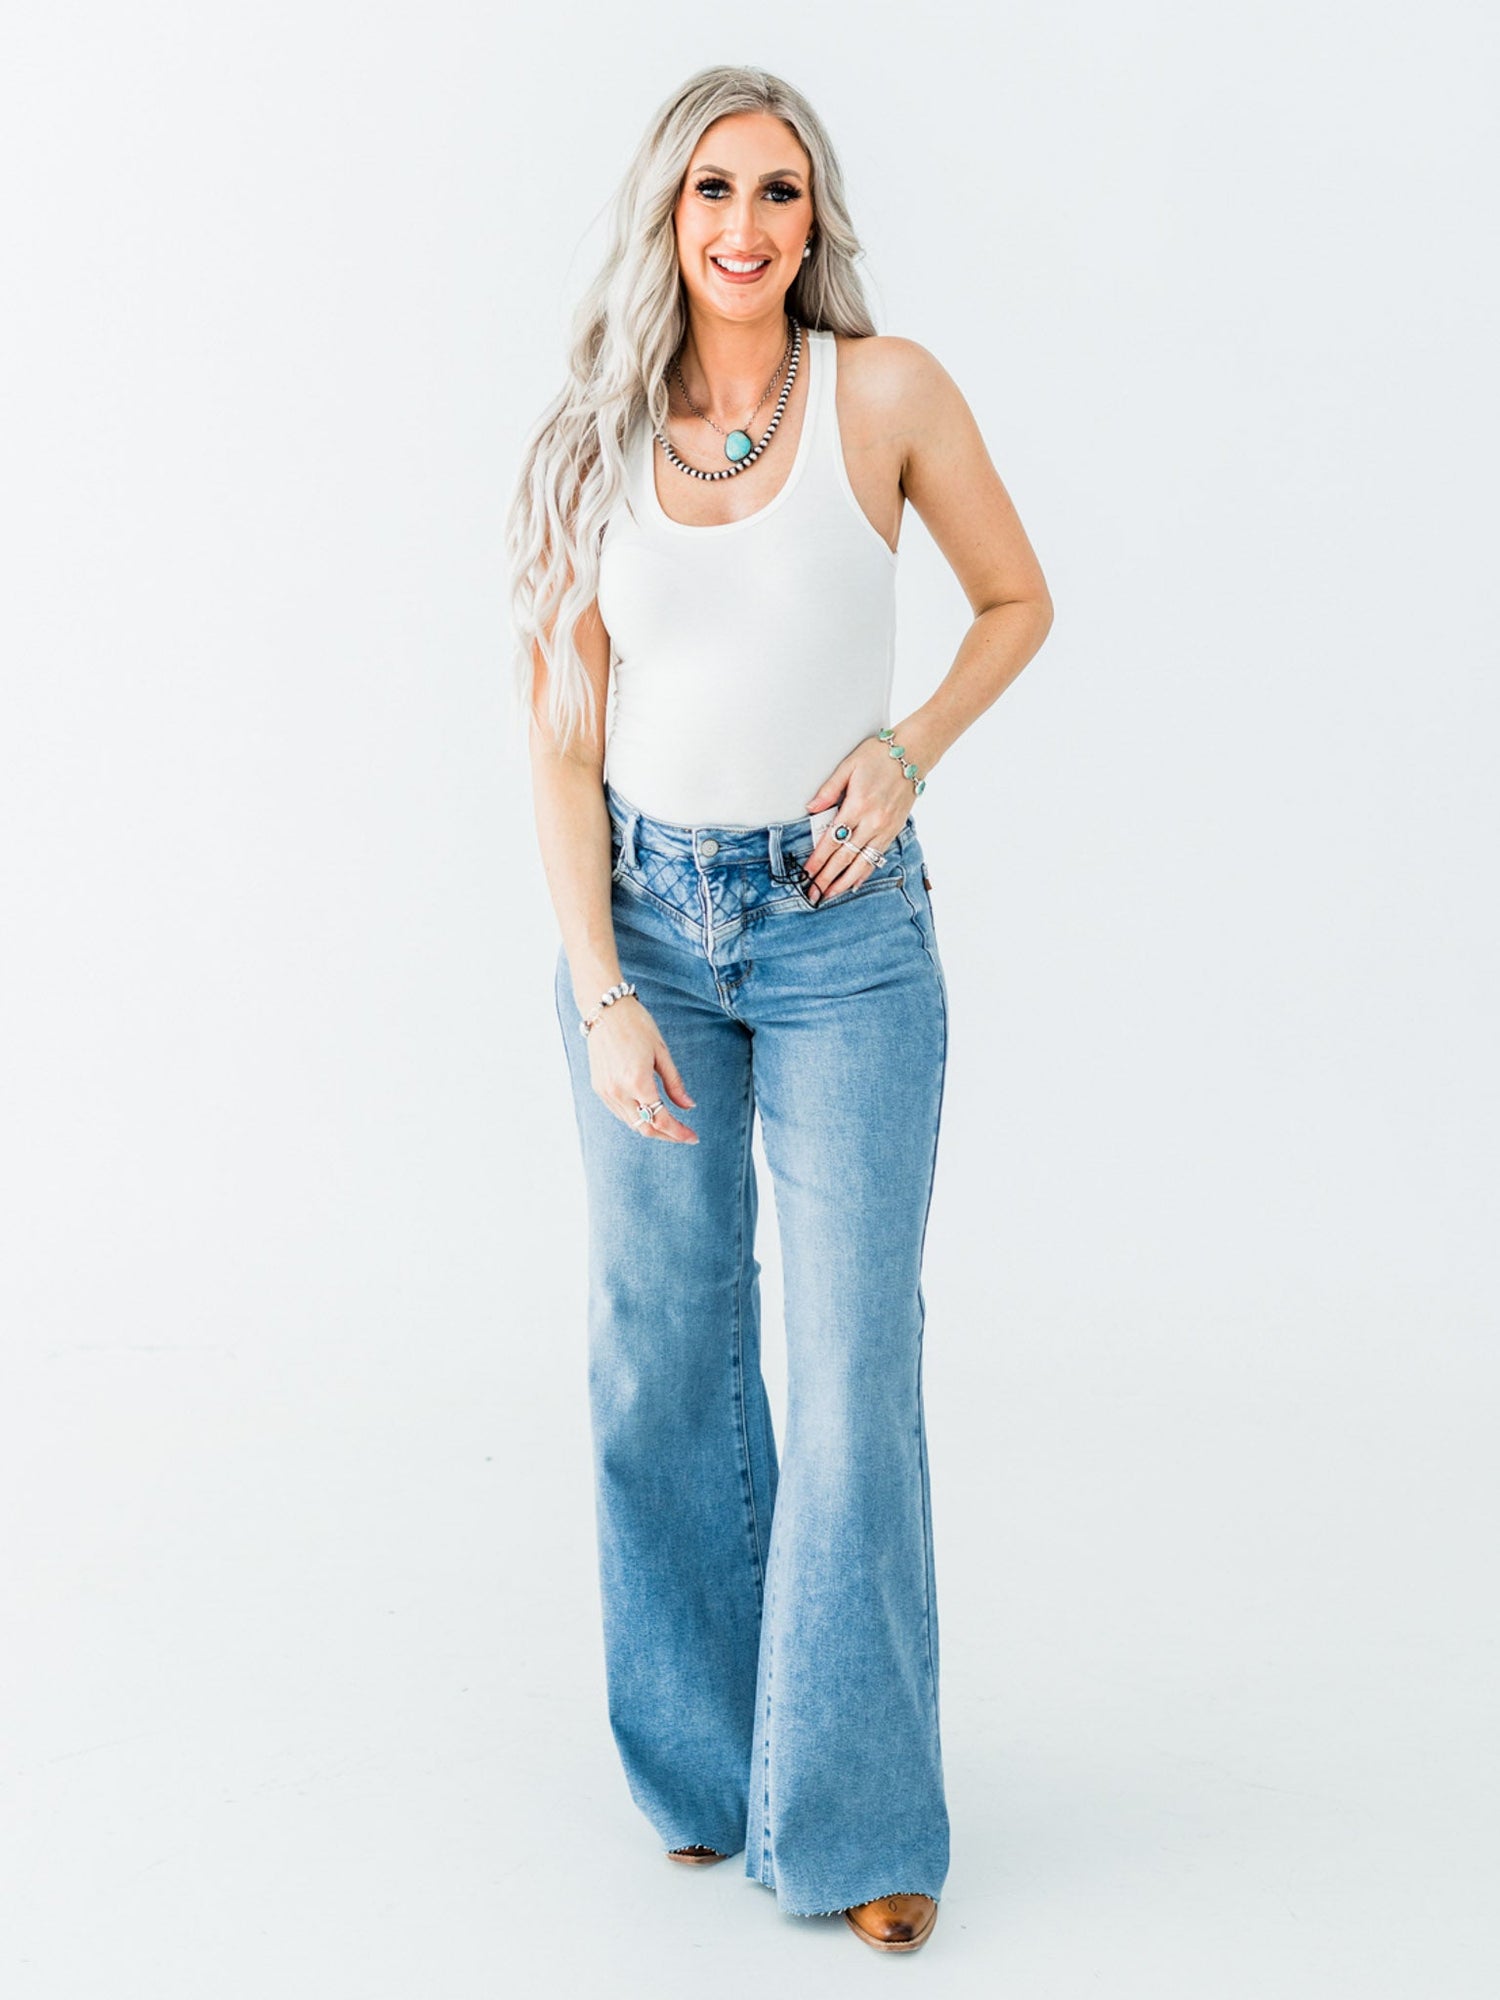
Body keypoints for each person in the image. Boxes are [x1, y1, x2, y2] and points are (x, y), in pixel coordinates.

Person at [507, 63, 1052, 1954]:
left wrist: (907, 750)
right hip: (647, 933)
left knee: (849, 1369)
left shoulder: (885, 395)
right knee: (658, 1350)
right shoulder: (590, 446)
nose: (747, 225)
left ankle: (857, 1818)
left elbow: (1014, 599)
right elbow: (558, 746)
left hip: (843, 941)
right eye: (715, 190)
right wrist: (599, 990)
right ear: (668, 215)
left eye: (781, 192)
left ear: (815, 223)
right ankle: (702, 1767)